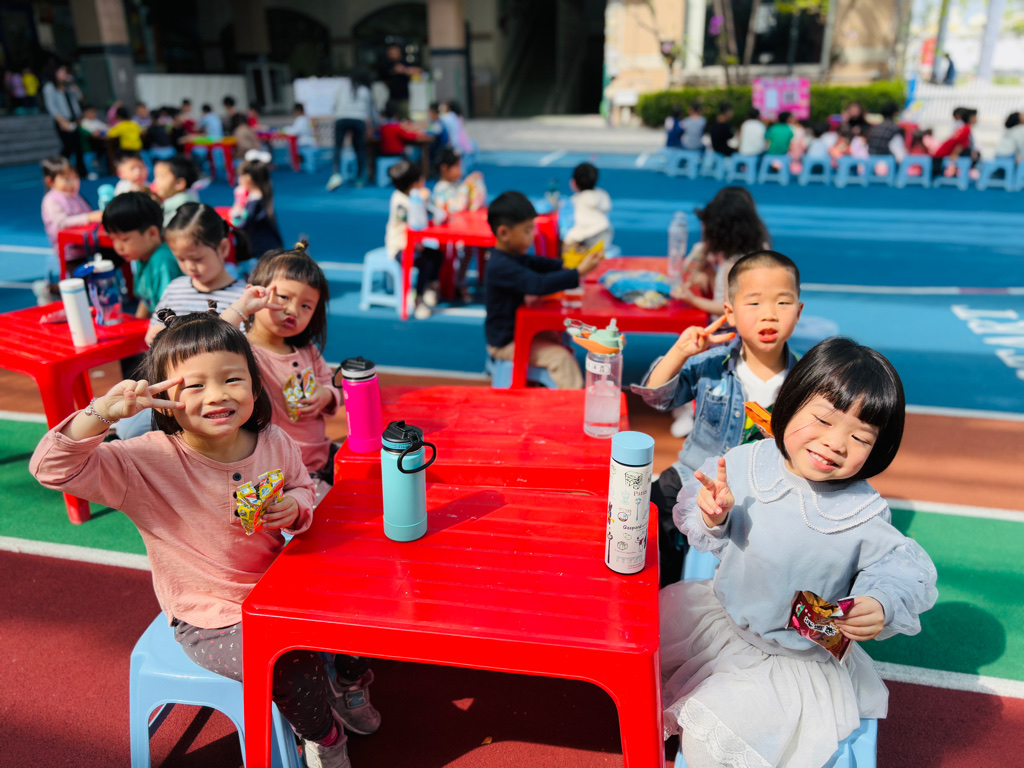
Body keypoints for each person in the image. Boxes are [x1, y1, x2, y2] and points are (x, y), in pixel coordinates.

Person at [29, 309, 376, 768]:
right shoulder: (142, 463)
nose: (217, 395)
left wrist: (295, 506)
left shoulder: (273, 441)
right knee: (291, 665)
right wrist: (100, 414)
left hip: (281, 587)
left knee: (358, 603)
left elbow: (300, 486)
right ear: (163, 401)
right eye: (194, 386)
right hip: (212, 618)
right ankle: (325, 737)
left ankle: (349, 683)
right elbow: (49, 468)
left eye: (232, 379)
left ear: (255, 386)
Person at [661, 336, 938, 767]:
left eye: (859, 437)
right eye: (823, 420)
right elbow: (707, 529)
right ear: (792, 402)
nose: (836, 443)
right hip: (718, 624)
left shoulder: (861, 511)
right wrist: (714, 516)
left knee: (708, 739)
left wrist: (880, 601)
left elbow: (902, 569)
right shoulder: (747, 463)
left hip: (789, 663)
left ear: (877, 448)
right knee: (641, 661)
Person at [633, 250, 801, 585]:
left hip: (758, 496)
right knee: (651, 510)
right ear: (730, 313)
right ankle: (657, 588)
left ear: (798, 312)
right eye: (754, 303)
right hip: (693, 477)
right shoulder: (712, 365)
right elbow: (656, 396)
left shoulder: (808, 380)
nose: (769, 314)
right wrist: (680, 352)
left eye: (783, 302)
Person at [245, 242, 340, 500]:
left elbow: (333, 386)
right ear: (255, 294)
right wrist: (242, 308)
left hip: (319, 459)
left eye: (306, 306)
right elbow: (211, 342)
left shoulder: (307, 349)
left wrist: (326, 395)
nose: (292, 310)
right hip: (276, 472)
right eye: (284, 298)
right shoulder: (242, 352)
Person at [484, 191, 604, 389]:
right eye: (527, 231)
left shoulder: (512, 256)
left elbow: (539, 264)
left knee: (557, 336)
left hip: (516, 333)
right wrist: (578, 272)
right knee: (561, 359)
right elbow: (538, 284)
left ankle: (543, 387)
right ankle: (574, 403)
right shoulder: (501, 266)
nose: (533, 236)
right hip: (506, 343)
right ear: (504, 233)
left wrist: (566, 265)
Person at [146, 203, 252, 346]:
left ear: (223, 248)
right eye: (181, 259)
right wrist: (155, 335)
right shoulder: (174, 290)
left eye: (197, 259)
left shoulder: (243, 297)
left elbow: (247, 346)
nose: (190, 267)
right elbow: (154, 330)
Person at [673, 186, 770, 319]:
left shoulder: (735, 265)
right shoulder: (753, 251)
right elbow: (724, 294)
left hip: (729, 330)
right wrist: (711, 274)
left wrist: (692, 300)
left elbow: (730, 310)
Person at [101, 191, 182, 319]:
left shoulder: (162, 262)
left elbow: (171, 312)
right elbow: (147, 299)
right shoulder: (142, 255)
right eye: (113, 239)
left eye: (124, 239)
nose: (118, 247)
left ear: (152, 233)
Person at [39, 156, 103, 294]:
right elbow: (62, 222)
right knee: (79, 284)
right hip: (70, 251)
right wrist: (89, 217)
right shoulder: (51, 200)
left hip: (87, 244)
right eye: (66, 179)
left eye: (75, 177)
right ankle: (49, 290)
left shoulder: (76, 196)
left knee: (103, 268)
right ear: (50, 181)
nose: (73, 182)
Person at [384, 160, 437, 319]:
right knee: (424, 262)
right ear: (414, 184)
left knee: (437, 255)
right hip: (400, 247)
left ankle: (430, 287)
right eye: (421, 179)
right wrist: (422, 200)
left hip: (414, 244)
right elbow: (416, 222)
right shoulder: (400, 201)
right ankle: (417, 298)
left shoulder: (412, 196)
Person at [231, 158, 284, 271]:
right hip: (268, 248)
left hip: (260, 251)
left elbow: (240, 224)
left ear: (248, 178)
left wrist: (237, 204)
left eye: (240, 176)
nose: (238, 179)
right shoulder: (261, 197)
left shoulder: (254, 202)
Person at [327, 72, 375, 191]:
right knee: (360, 149)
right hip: (358, 120)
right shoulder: (365, 90)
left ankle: (335, 175)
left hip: (341, 118)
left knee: (338, 148)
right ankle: (360, 177)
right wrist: (371, 127)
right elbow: (369, 112)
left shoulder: (342, 88)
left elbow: (334, 105)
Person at [41, 63, 88, 177]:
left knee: (78, 147)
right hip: (62, 120)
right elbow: (51, 106)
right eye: (62, 72)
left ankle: (81, 172)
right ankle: (57, 168)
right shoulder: (50, 87)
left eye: (65, 72)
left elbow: (80, 99)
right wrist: (61, 121)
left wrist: (74, 86)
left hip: (74, 118)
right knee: (68, 146)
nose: (64, 74)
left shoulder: (68, 86)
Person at [563, 162, 612, 255]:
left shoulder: (575, 200)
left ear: (574, 182)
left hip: (586, 238)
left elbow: (568, 221)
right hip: (605, 234)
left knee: (566, 244)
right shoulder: (602, 194)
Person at [152, 156, 201, 225]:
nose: (155, 182)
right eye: (156, 177)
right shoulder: (190, 194)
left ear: (179, 183)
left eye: (162, 177)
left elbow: (154, 213)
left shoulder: (180, 200)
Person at [378, 43, 420, 118]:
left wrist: (404, 70)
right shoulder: (386, 64)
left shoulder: (405, 61)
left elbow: (419, 71)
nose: (392, 54)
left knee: (404, 117)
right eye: (390, 53)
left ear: (399, 52)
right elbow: (384, 80)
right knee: (391, 117)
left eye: (394, 52)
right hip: (392, 97)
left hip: (404, 97)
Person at [932, 107, 977, 176]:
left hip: (943, 152)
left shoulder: (963, 128)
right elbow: (960, 144)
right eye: (975, 117)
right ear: (970, 118)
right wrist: (955, 154)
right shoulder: (966, 128)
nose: (976, 119)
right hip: (943, 153)